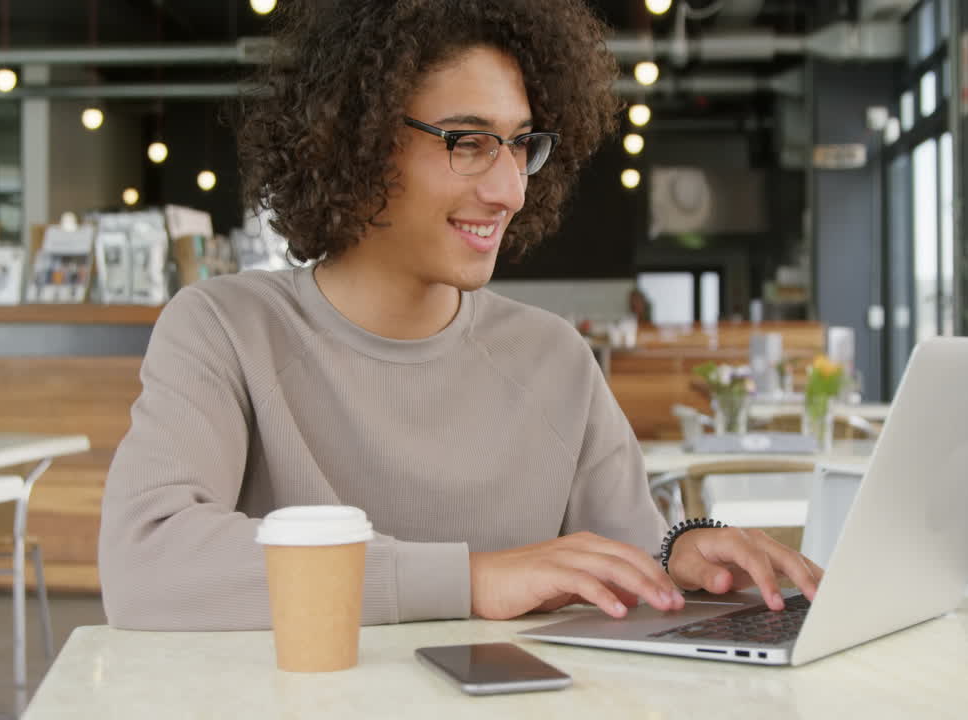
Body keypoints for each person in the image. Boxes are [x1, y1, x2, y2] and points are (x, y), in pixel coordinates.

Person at [99, 0, 821, 631]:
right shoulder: (225, 330)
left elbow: (630, 567)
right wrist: (472, 581)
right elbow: (146, 562)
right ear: (357, 139)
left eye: (520, 145)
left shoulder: (555, 359)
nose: (509, 190)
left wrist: (683, 558)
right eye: (468, 142)